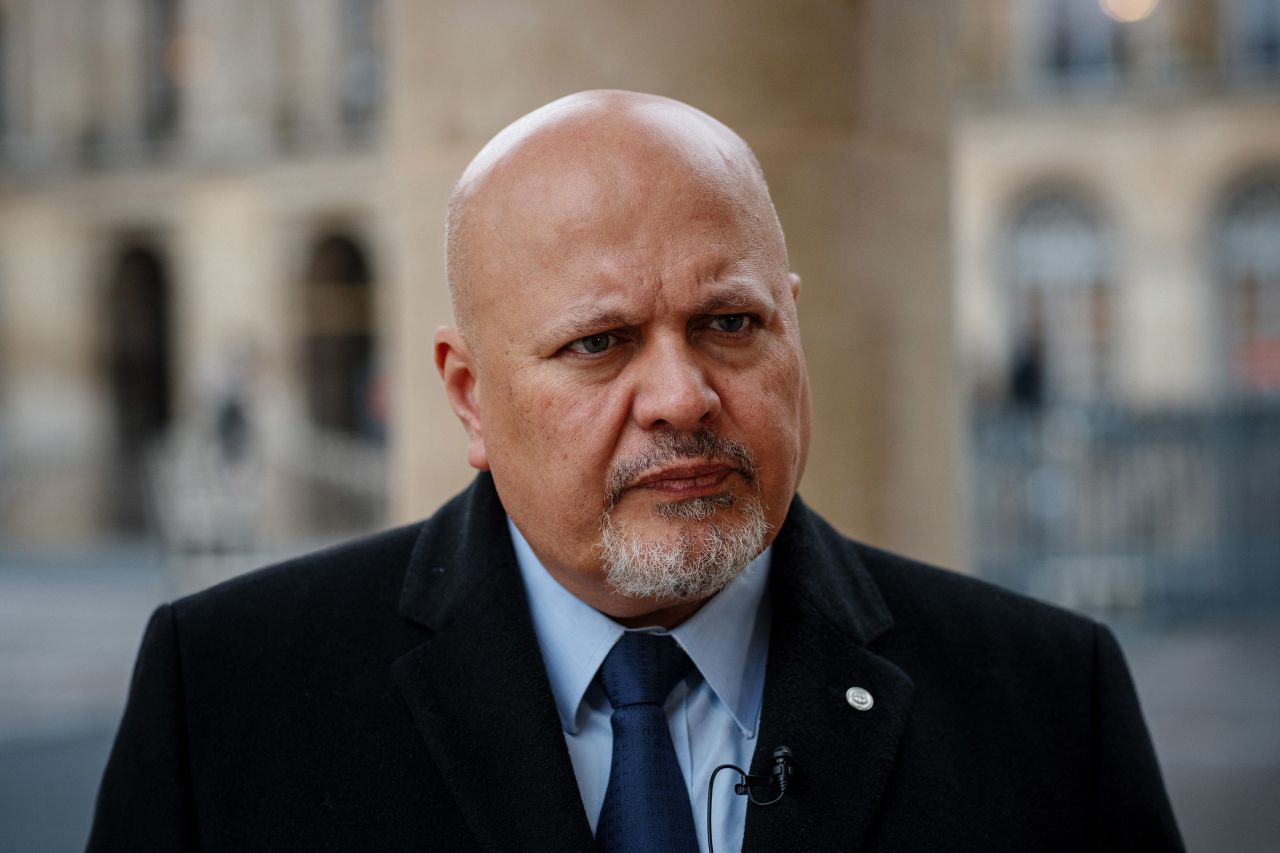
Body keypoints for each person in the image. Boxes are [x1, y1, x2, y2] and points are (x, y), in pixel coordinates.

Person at [88, 91, 1184, 852]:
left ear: (791, 329)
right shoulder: (228, 697)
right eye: (598, 343)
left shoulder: (1046, 702)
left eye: (728, 321)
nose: (682, 395)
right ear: (469, 396)